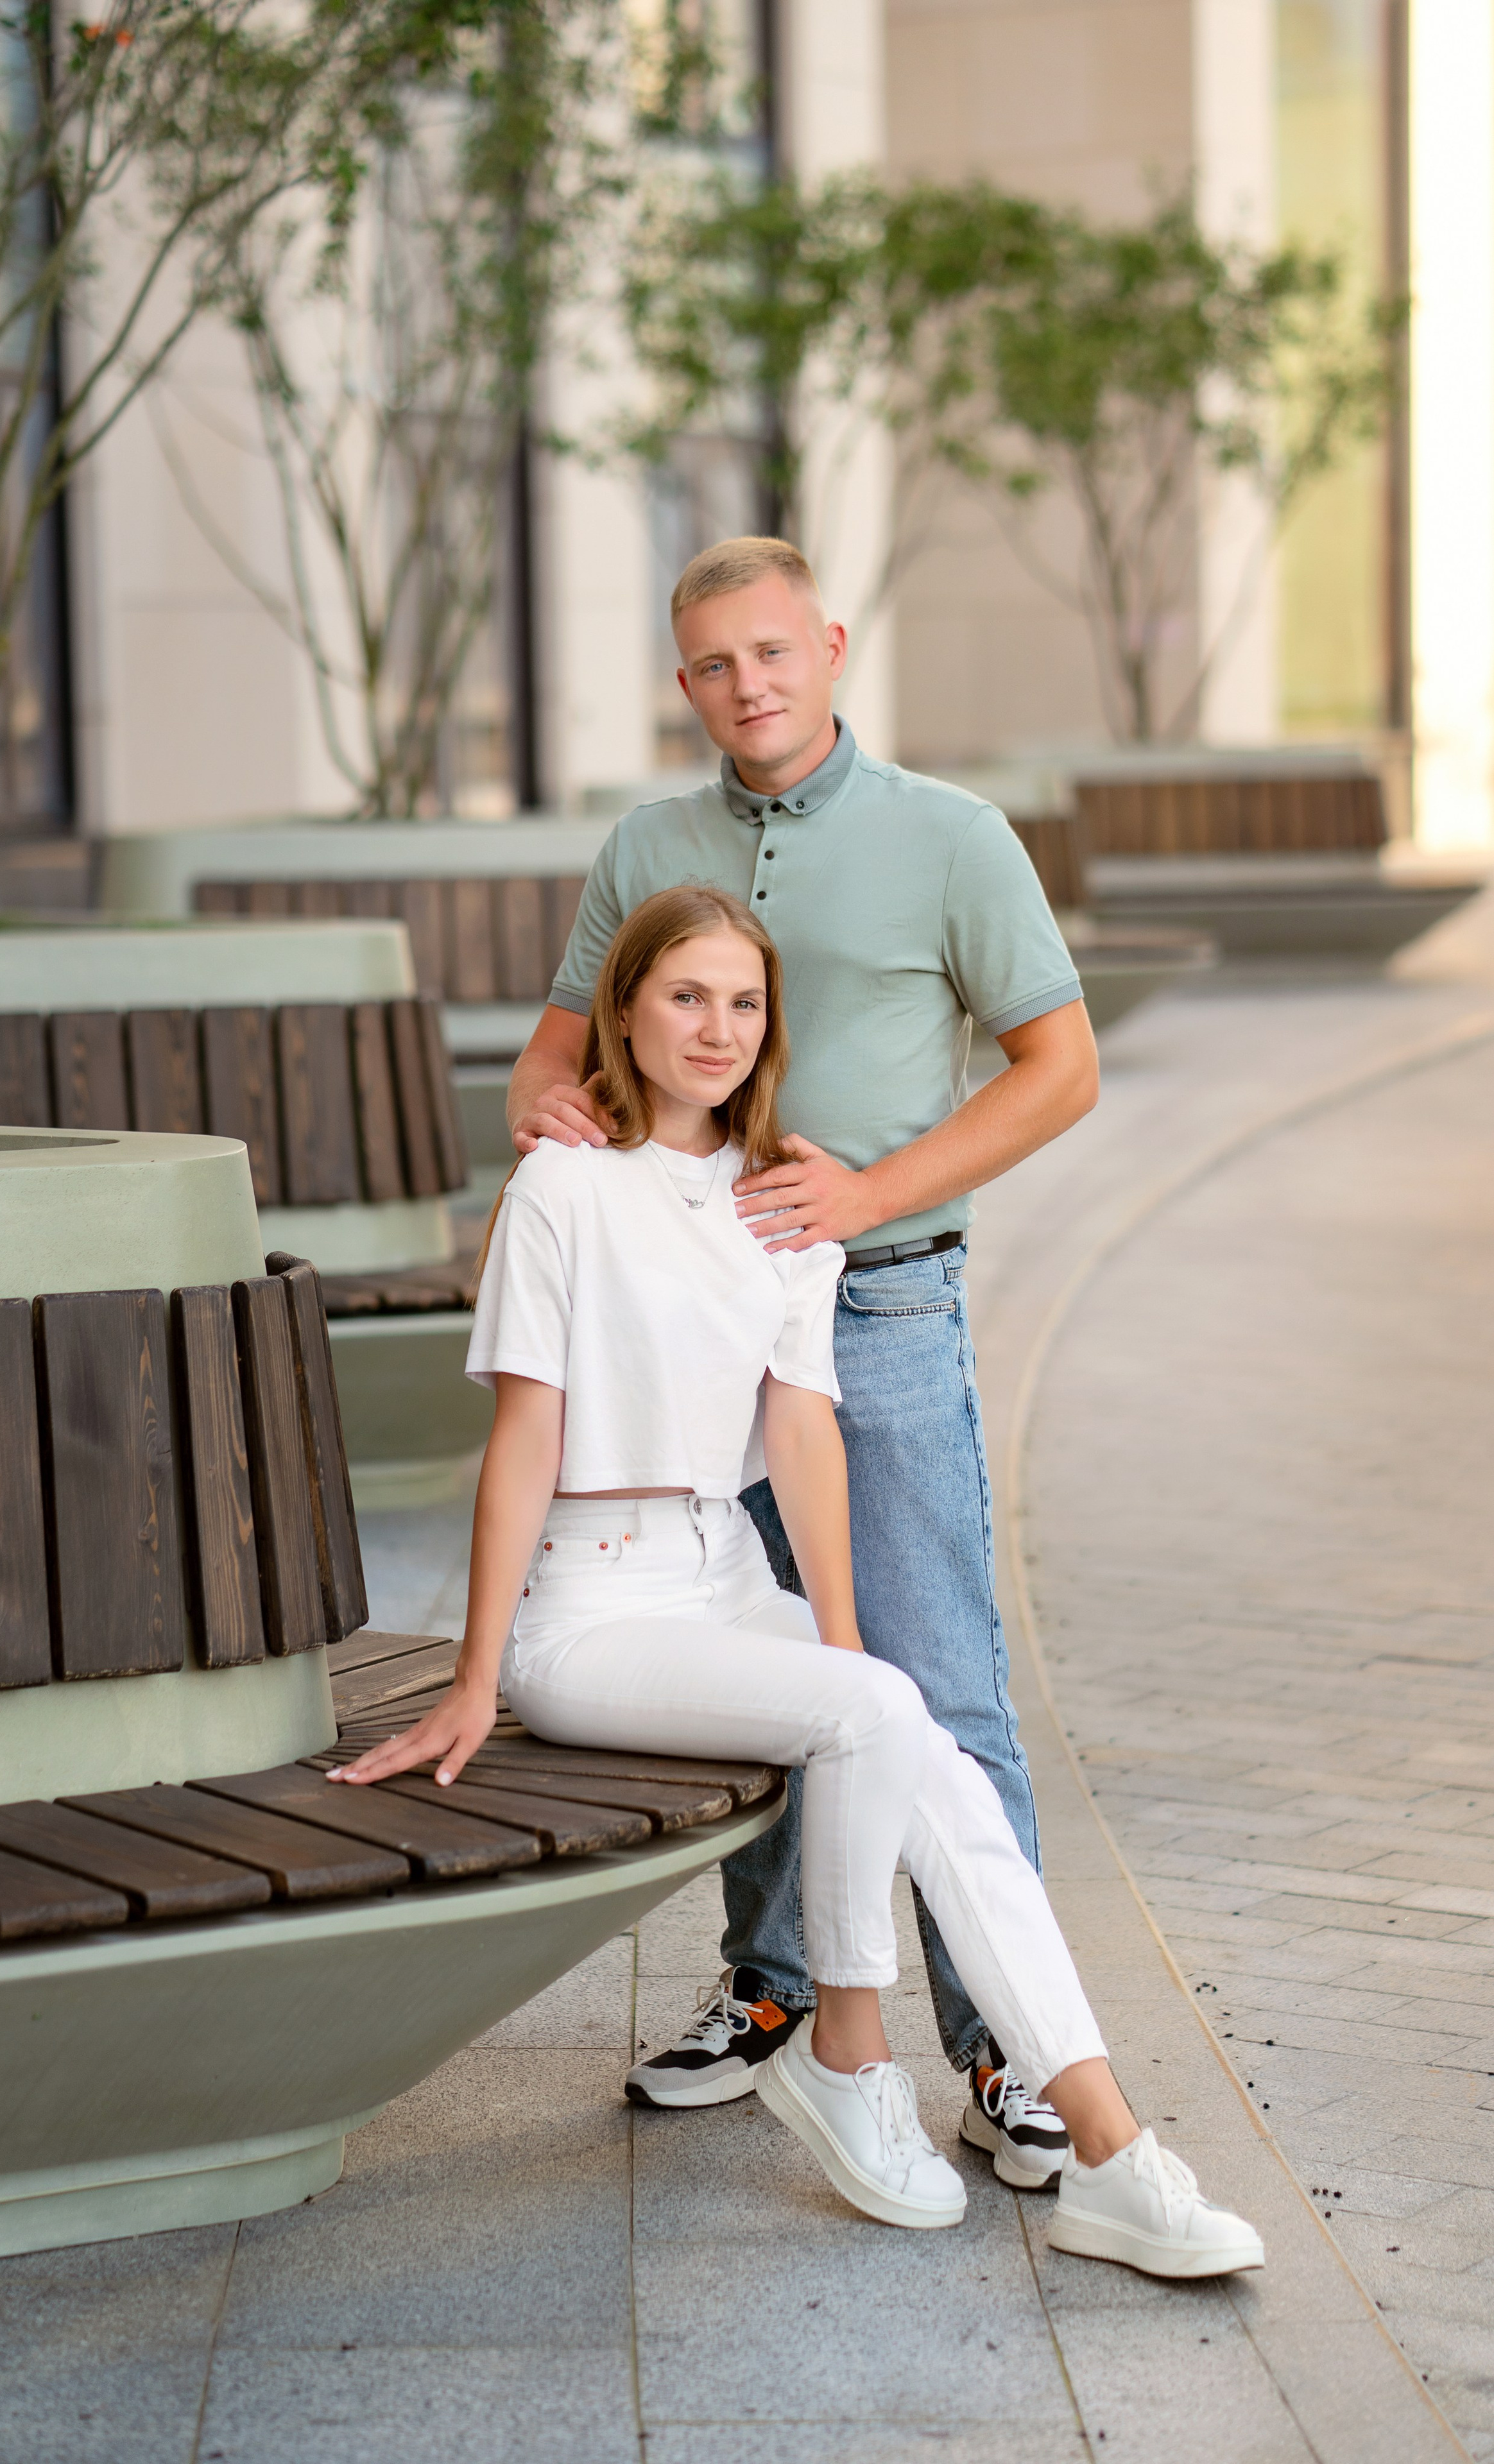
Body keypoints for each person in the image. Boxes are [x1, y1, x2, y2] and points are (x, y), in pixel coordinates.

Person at [332, 885, 1262, 2274]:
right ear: (626, 1008)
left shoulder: (784, 1203)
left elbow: (799, 1434)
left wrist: (840, 1651)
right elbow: (522, 1438)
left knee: (923, 1751)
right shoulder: (562, 1186)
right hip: (590, 1617)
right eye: (685, 997)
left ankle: (1113, 2153)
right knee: (881, 1717)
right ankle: (846, 2047)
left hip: (723, 1575)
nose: (716, 1028)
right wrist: (476, 1675)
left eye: (744, 1003)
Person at [503, 535, 1095, 2185]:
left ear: (827, 650)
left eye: (772, 653)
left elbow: (1061, 1071)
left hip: (880, 1307)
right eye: (712, 663)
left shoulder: (950, 838)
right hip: (686, 1325)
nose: (746, 685)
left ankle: (1006, 2057)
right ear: (683, 678)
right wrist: (541, 1110)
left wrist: (867, 1194)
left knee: (934, 1682)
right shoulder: (648, 843)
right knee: (745, 1681)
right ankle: (769, 2000)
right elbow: (559, 1044)